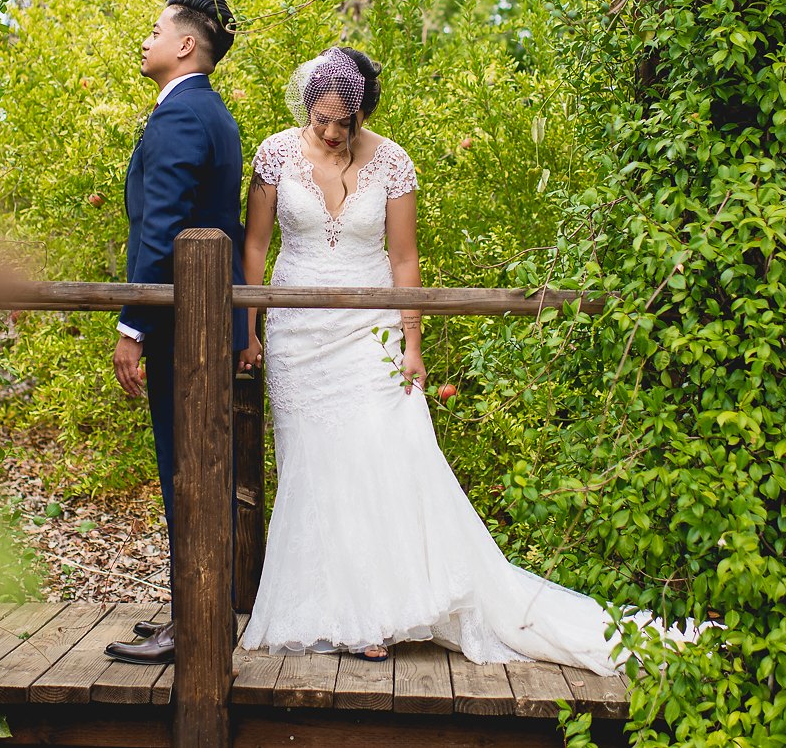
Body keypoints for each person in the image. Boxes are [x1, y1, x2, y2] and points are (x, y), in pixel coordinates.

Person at [236, 47, 700, 673]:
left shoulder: (393, 161)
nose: (329, 132)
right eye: (319, 118)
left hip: (372, 329)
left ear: (362, 112)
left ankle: (383, 608)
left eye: (342, 121)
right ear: (306, 106)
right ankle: (332, 611)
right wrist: (250, 328)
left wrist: (413, 345)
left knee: (383, 455)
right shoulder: (273, 154)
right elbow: (255, 246)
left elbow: (405, 261)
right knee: (314, 463)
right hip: (299, 332)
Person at [104, 0, 247, 666]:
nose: (147, 38)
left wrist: (134, 326)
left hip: (184, 330)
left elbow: (161, 230)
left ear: (186, 44)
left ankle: (196, 626)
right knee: (197, 469)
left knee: (186, 471)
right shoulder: (209, 113)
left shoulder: (183, 118)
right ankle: (195, 613)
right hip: (207, 325)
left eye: (156, 28)